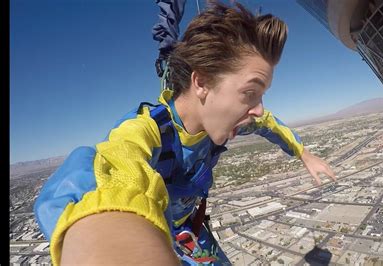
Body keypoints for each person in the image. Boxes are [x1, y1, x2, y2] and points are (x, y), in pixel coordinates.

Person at [34, 2, 336, 265]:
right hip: (163, 237)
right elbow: (102, 177)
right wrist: (107, 229)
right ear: (201, 82)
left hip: (193, 233)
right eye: (251, 92)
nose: (257, 109)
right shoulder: (145, 132)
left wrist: (303, 153)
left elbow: (268, 122)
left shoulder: (224, 119)